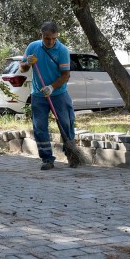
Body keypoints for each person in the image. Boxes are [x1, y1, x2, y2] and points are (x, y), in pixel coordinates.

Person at [19, 21, 77, 170]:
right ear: (41, 36)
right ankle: (47, 159)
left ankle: (71, 155)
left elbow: (65, 75)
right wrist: (28, 63)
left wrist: (51, 87)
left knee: (66, 124)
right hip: (38, 95)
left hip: (59, 94)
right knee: (39, 127)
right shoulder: (33, 47)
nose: (50, 41)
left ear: (56, 37)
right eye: (47, 38)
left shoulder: (62, 50)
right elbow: (22, 68)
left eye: (53, 38)